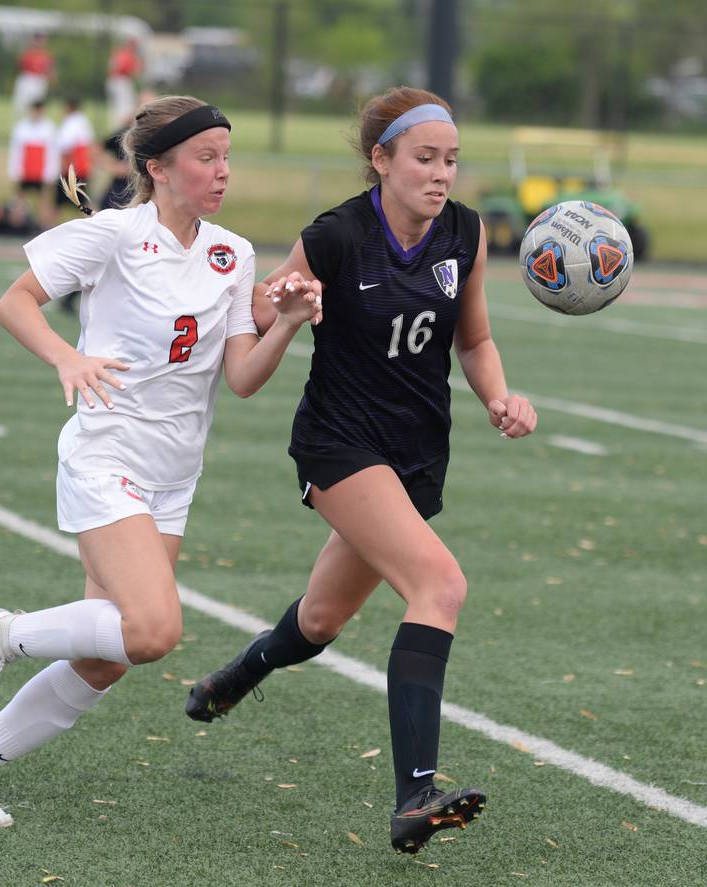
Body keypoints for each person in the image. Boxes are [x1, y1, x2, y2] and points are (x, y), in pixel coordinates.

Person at [0, 94, 321, 828]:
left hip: (173, 476)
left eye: (226, 157)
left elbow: (240, 379)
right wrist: (67, 357)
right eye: (205, 158)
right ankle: (4, 633)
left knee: (108, 656)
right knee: (151, 630)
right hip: (104, 454)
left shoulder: (232, 255)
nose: (222, 171)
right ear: (157, 167)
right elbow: (15, 302)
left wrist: (290, 324)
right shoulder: (112, 234)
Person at [185, 86, 538, 854]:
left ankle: (229, 680)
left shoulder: (465, 234)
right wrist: (287, 303)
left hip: (415, 452)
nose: (441, 173)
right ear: (381, 160)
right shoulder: (339, 235)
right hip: (341, 445)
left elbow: (473, 342)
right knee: (439, 584)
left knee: (320, 620)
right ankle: (416, 794)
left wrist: (500, 396)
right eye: (424, 158)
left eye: (450, 159)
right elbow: (257, 306)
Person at [7, 99, 58, 229]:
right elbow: (15, 151)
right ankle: (16, 227)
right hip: (25, 170)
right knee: (19, 200)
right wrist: (14, 170)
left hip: (41, 172)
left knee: (44, 201)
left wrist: (51, 173)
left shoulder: (49, 128)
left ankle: (43, 227)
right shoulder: (21, 127)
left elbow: (52, 153)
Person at [12, 33, 55, 116]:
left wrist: (51, 80)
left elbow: (50, 70)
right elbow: (19, 66)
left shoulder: (47, 55)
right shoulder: (27, 53)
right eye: (37, 40)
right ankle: (21, 122)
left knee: (37, 103)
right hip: (27, 78)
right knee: (22, 103)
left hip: (39, 80)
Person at [106, 37, 143, 129]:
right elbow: (126, 70)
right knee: (125, 108)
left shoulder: (120, 53)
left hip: (115, 81)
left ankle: (117, 127)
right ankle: (120, 128)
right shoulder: (127, 55)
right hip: (121, 81)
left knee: (118, 107)